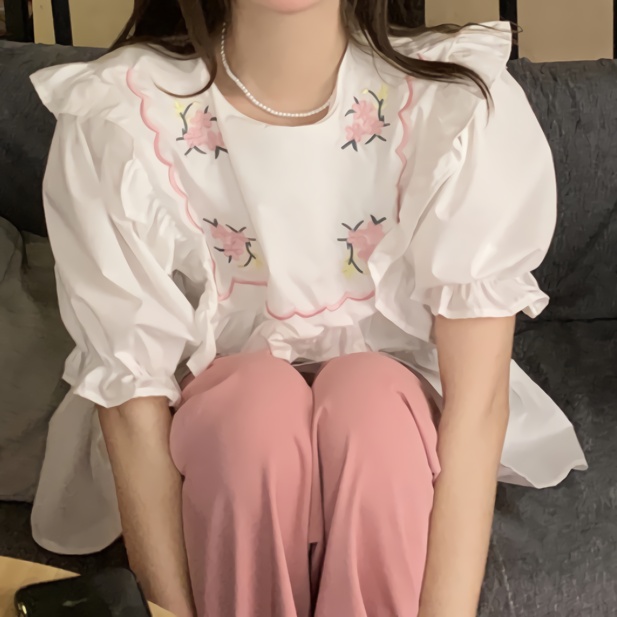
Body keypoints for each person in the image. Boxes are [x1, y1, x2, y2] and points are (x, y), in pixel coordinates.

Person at [30, 1, 587, 616]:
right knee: (254, 414)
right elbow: (131, 396)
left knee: (369, 405)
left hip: (391, 427)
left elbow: (476, 402)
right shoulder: (117, 112)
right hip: (219, 432)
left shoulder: (454, 101)